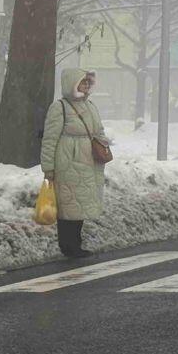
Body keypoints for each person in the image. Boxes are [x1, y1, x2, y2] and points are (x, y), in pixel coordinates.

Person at [40, 68, 110, 258]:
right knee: (68, 205)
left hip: (88, 162)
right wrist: (48, 167)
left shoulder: (91, 106)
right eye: (82, 82)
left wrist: (104, 144)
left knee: (80, 206)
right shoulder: (60, 107)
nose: (86, 86)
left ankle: (75, 244)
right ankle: (68, 245)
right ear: (72, 83)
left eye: (88, 83)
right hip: (68, 162)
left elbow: (99, 130)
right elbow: (49, 140)